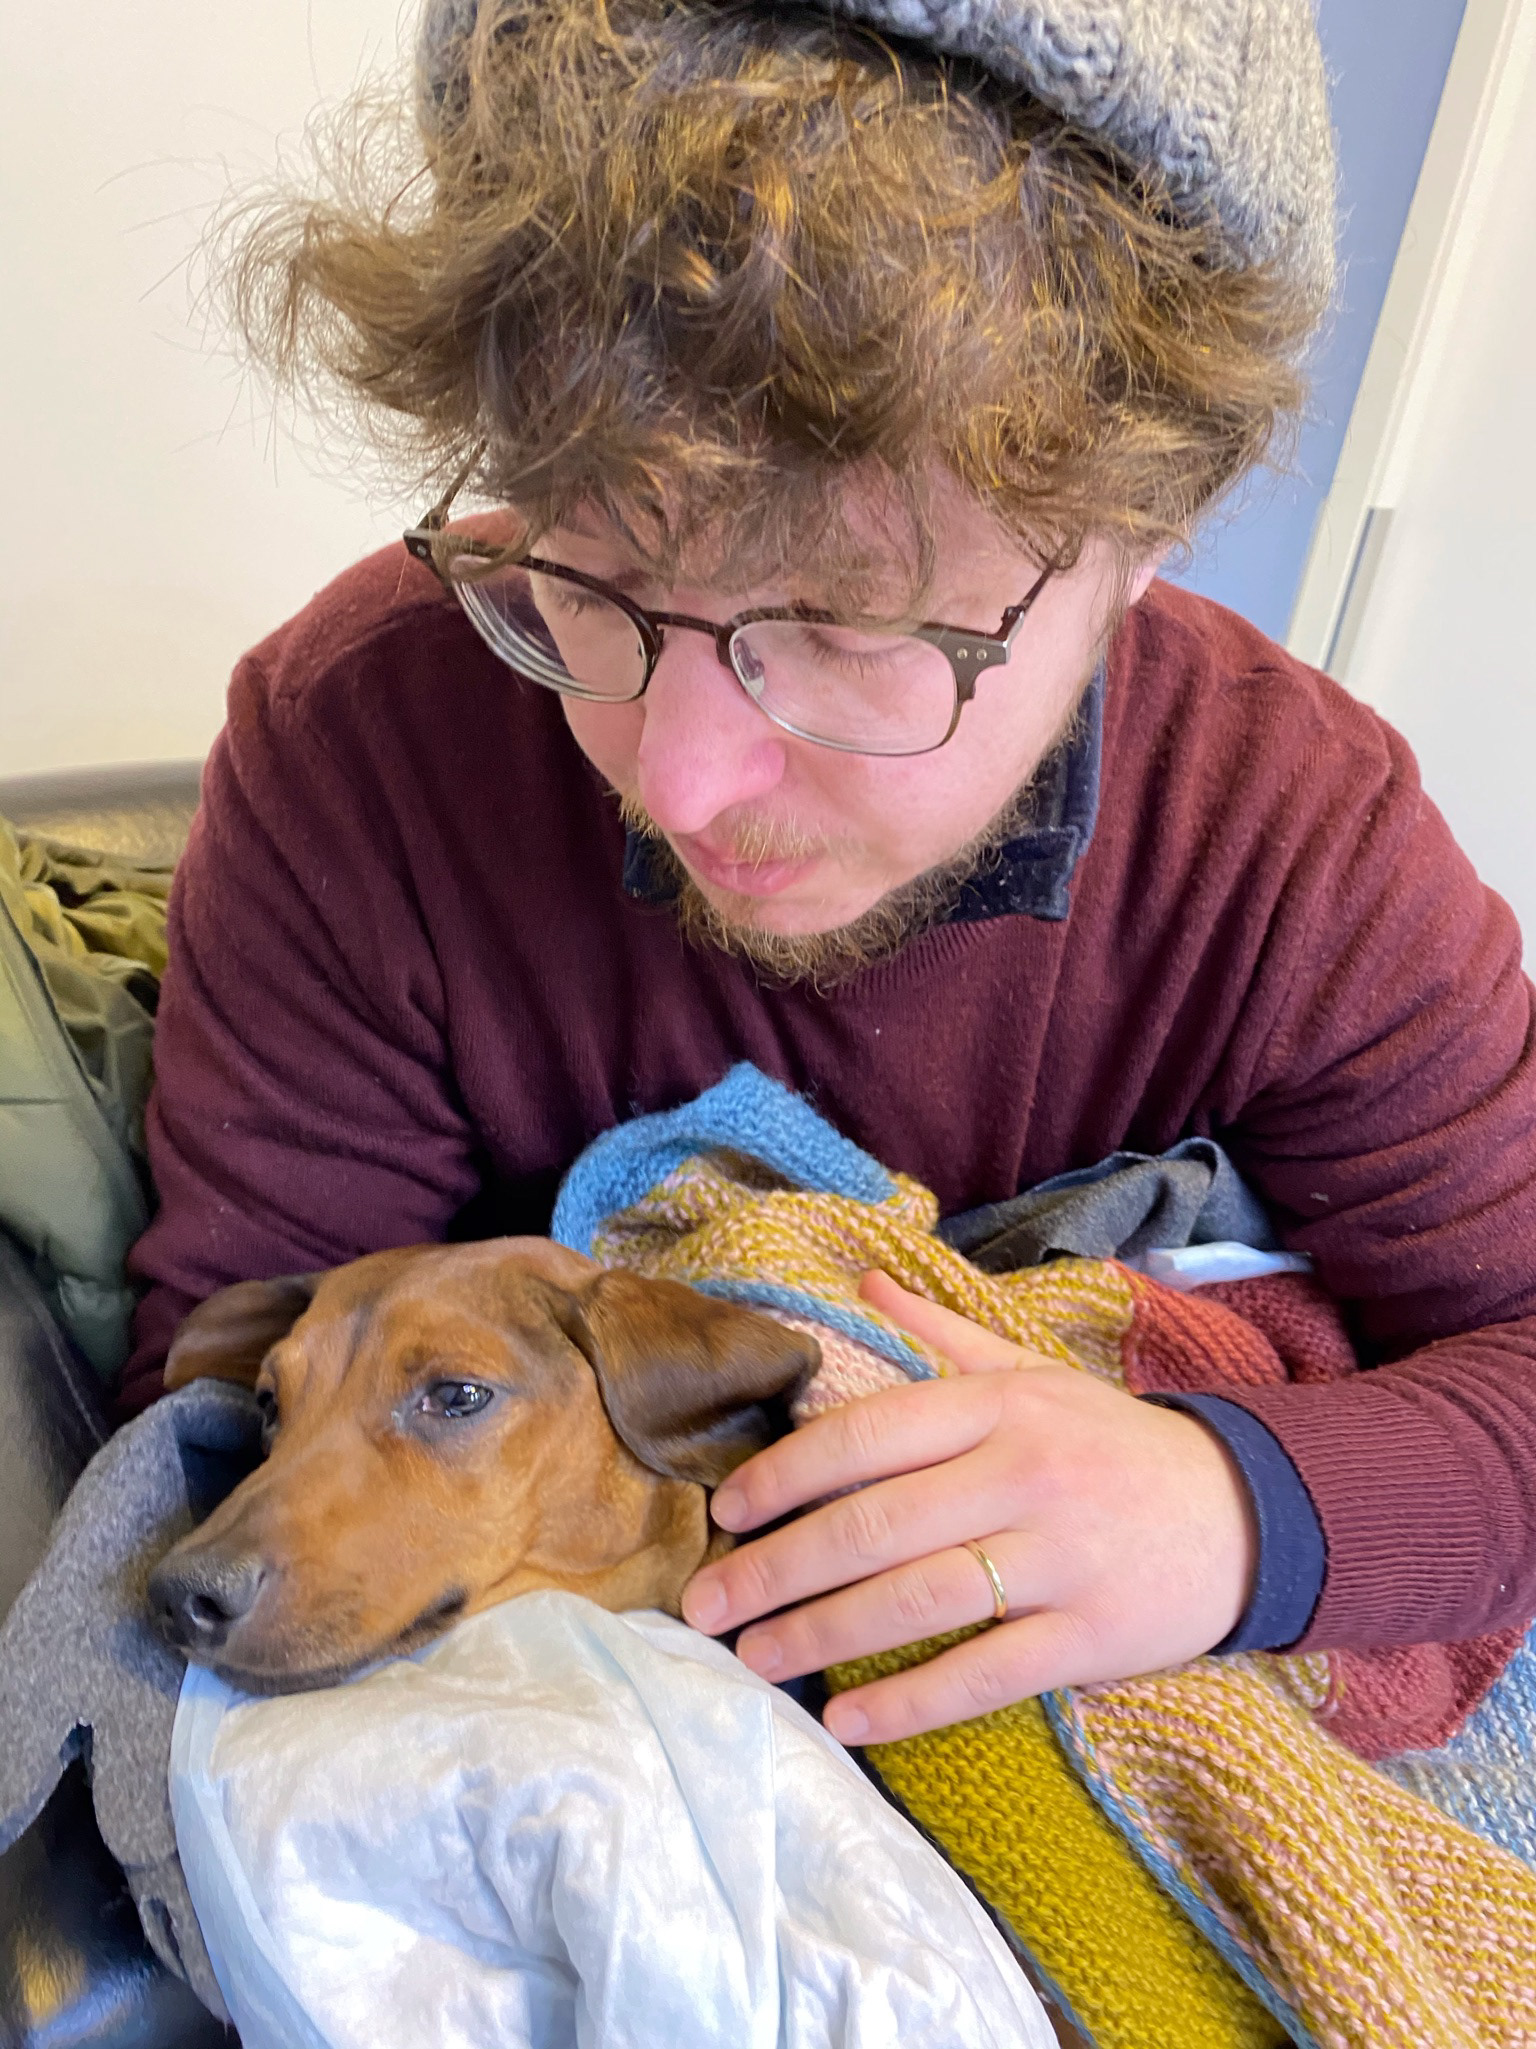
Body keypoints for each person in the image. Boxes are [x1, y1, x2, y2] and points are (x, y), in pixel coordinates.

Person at [121, 0, 1536, 1758]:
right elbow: (217, 1407)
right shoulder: (361, 747)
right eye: (586, 582)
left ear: (1153, 524)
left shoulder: (1291, 842)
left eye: (854, 628)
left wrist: (1233, 1507)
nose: (678, 780)